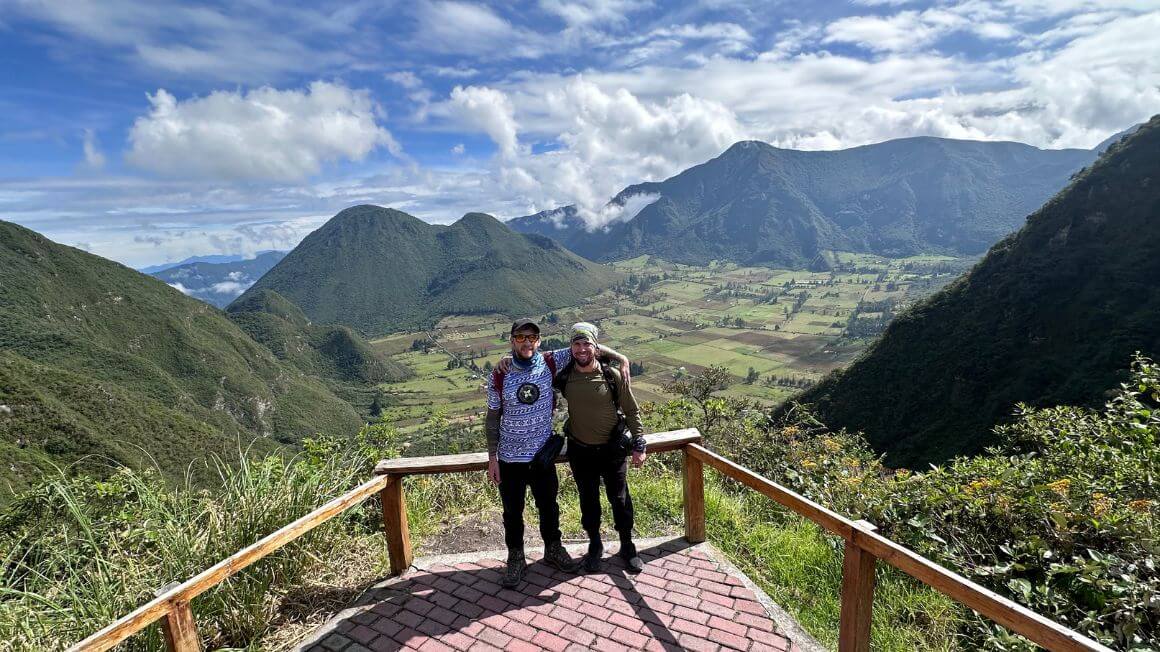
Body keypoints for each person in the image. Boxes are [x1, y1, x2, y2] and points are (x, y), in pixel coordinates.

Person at [485, 318, 627, 587]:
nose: (527, 342)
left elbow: (588, 347)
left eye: (532, 338)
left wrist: (622, 359)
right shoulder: (500, 373)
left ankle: (553, 549)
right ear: (512, 340)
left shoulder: (549, 361)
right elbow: (492, 418)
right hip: (509, 457)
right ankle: (515, 558)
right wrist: (492, 457)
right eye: (520, 337)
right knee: (512, 512)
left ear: (538, 341)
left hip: (542, 455)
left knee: (549, 507)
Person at [556, 322, 648, 573]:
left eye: (587, 343)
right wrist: (505, 361)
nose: (582, 349)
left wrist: (639, 441)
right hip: (580, 451)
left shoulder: (612, 375)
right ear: (571, 347)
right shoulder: (564, 376)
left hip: (612, 450)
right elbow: (531, 358)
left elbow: (631, 409)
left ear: (596, 348)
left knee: (620, 499)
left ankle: (627, 546)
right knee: (588, 501)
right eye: (577, 343)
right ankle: (595, 546)